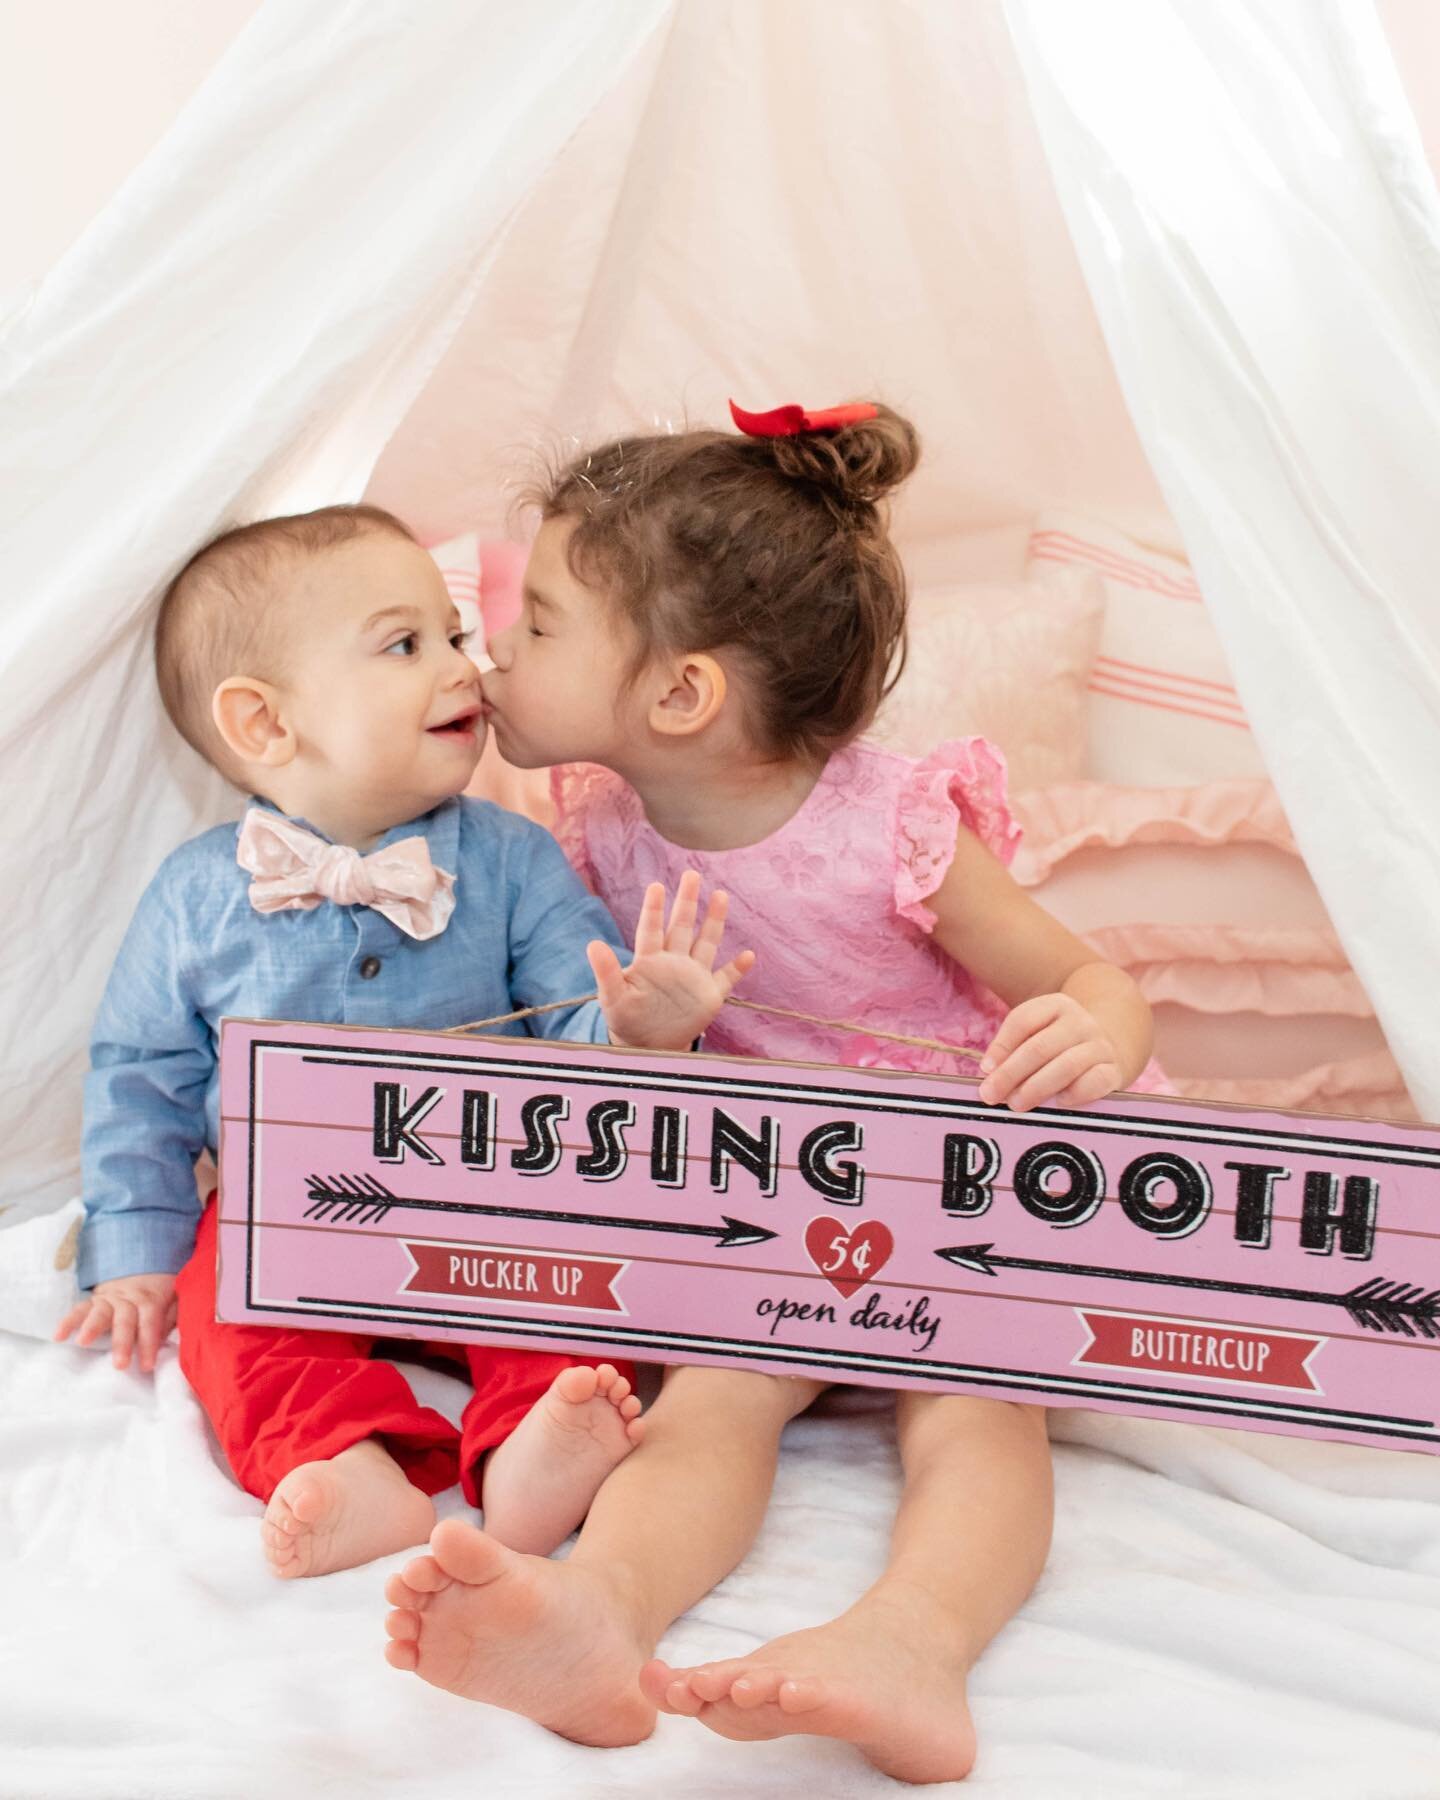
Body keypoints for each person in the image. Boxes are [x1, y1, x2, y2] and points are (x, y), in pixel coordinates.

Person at [380, 401, 1159, 1784]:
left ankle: (914, 1643)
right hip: (776, 1211)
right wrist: (659, 1043)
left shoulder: (890, 826)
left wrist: (1091, 1036)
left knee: (977, 1408)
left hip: (951, 1192)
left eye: (540, 620)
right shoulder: (599, 819)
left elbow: (1085, 979)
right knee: (713, 1404)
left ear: (681, 693)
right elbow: (626, 1093)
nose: (500, 646)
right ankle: (600, 1617)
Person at [56, 503, 752, 1581]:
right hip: (287, 1216)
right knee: (221, 1311)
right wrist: (136, 1253)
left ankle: (534, 1441)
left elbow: (577, 1020)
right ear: (264, 725)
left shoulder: (515, 862)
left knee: (567, 1279)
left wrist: (632, 1033)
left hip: (487, 1193)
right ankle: (343, 1462)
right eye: (405, 644)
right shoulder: (194, 896)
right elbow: (141, 1080)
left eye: (455, 635)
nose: (461, 669)